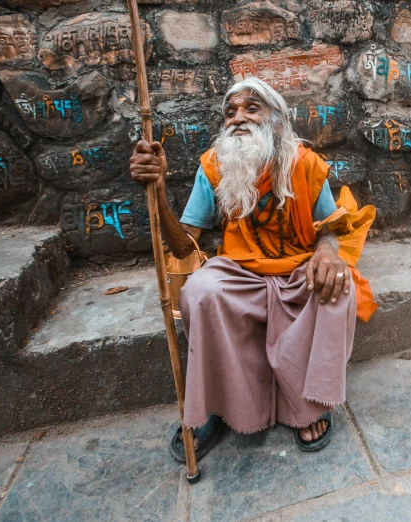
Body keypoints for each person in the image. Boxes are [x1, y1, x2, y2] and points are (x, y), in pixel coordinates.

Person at [129, 78, 377, 458]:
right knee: (199, 291)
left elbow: (329, 229)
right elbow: (184, 245)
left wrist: (327, 254)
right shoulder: (213, 167)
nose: (238, 119)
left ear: (276, 120)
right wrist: (159, 189)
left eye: (251, 108)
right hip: (239, 272)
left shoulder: (305, 164)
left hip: (297, 272)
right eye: (230, 112)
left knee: (338, 287)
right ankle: (215, 406)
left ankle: (308, 406)